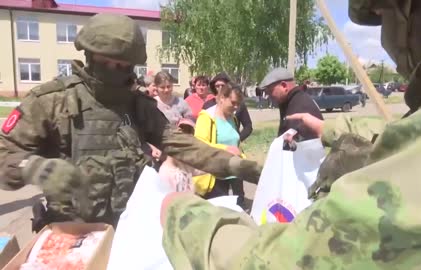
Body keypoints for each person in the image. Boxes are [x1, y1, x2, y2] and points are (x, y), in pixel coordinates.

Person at [161, 1, 421, 269]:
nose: (384, 37)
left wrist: (182, 216)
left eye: (382, 15)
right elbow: (392, 136)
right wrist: (330, 131)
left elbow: (280, 261)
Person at [0, 13, 262, 231]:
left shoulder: (135, 103)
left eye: (124, 65)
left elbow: (179, 143)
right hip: (72, 232)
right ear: (91, 56)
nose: (117, 71)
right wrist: (32, 167)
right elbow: (4, 155)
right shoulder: (52, 101)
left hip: (130, 225)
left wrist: (231, 164)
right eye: (109, 63)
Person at [194, 83, 247, 209]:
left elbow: (235, 144)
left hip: (234, 173)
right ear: (222, 97)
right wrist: (226, 149)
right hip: (215, 176)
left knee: (237, 210)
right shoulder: (207, 117)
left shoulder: (232, 118)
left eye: (238, 104)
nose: (236, 107)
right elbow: (200, 144)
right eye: (233, 102)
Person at [259, 67, 323, 141]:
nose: (269, 96)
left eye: (270, 91)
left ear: (284, 86)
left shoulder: (301, 105)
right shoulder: (287, 101)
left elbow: (303, 144)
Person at [204, 72, 253, 142]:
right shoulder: (207, 106)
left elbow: (248, 126)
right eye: (217, 86)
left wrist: (238, 139)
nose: (220, 88)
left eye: (222, 85)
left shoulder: (239, 105)